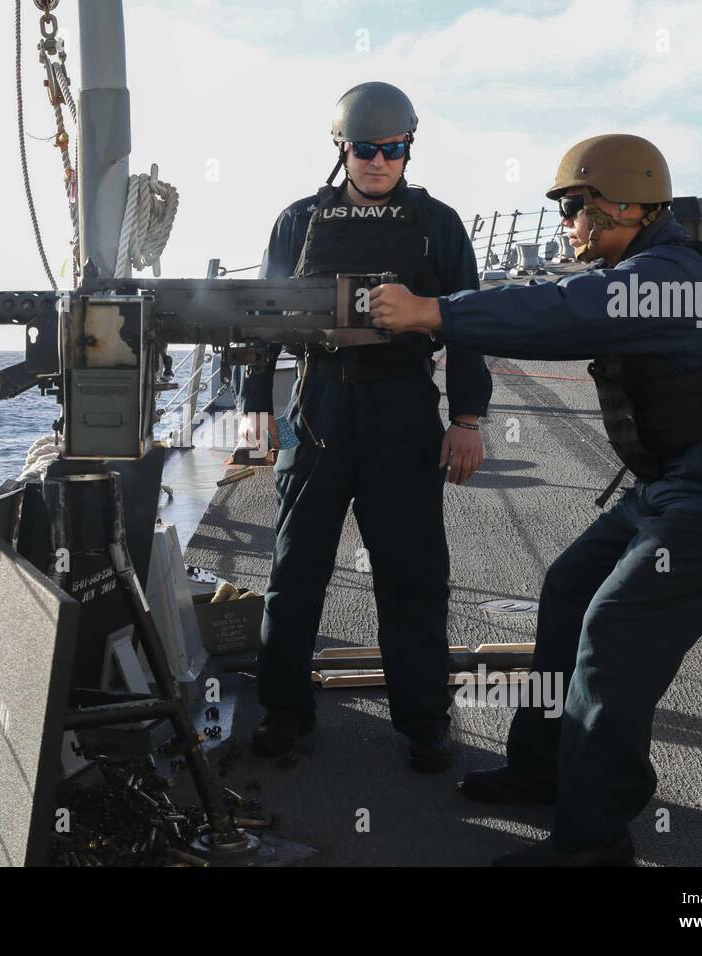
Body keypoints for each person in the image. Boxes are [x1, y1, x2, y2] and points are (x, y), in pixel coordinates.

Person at [369, 134, 702, 865]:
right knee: (570, 589)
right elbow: (566, 303)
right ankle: (547, 768)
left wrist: (432, 313)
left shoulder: (671, 278)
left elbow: (561, 313)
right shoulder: (650, 267)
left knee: (617, 631)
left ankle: (595, 838)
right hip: (678, 488)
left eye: (574, 206)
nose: (567, 223)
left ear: (622, 205)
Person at [240, 82, 493, 772]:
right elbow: (262, 317)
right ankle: (286, 711)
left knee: (413, 574)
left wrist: (467, 417)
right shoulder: (298, 222)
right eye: (365, 149)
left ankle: (423, 722)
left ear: (409, 149)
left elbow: (466, 323)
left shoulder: (438, 225)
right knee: (295, 571)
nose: (379, 161)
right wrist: (256, 408)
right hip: (319, 406)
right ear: (342, 150)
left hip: (403, 410)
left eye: (393, 149)